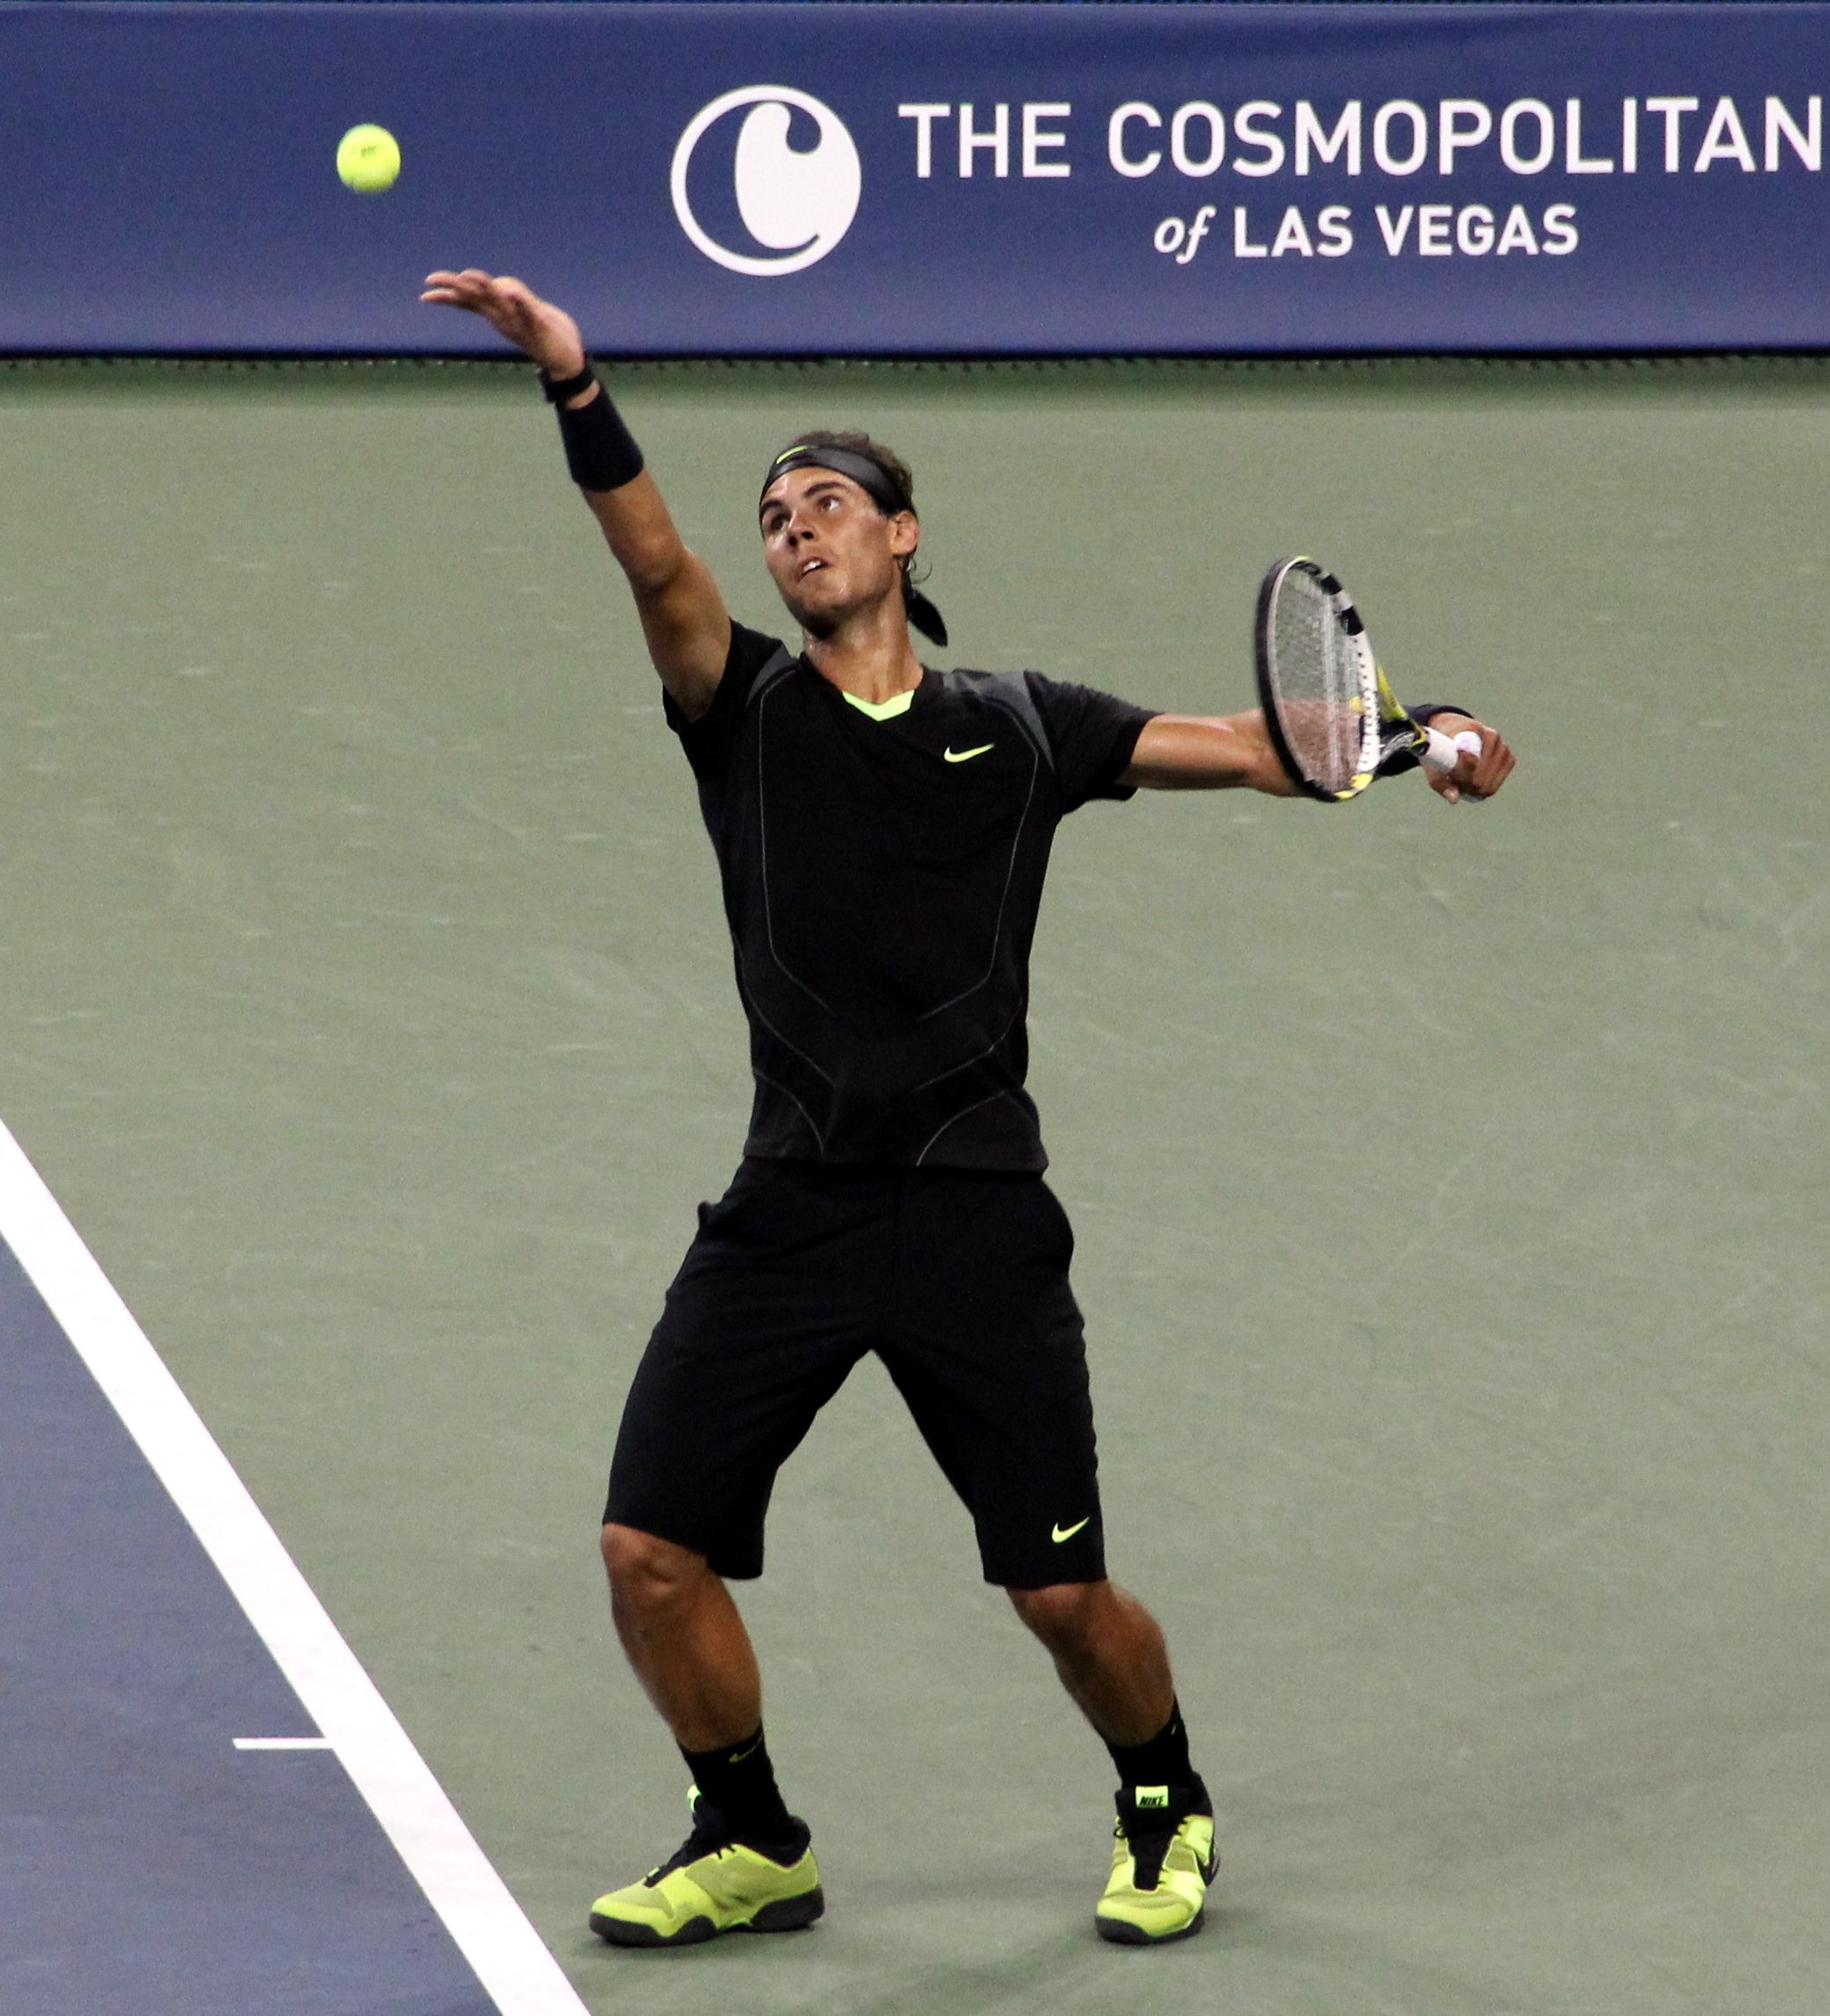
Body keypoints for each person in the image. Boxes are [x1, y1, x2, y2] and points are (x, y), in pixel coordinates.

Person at [420, 267, 1516, 1953]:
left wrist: (1413, 727)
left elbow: (1253, 741)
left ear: (904, 537)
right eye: (775, 515)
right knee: (649, 1548)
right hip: (789, 1206)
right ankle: (751, 1830)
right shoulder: (744, 711)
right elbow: (654, 561)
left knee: (1059, 1590)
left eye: (829, 504)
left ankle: (1164, 1794)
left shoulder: (1018, 728)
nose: (795, 532)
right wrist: (575, 381)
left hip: (975, 1215)